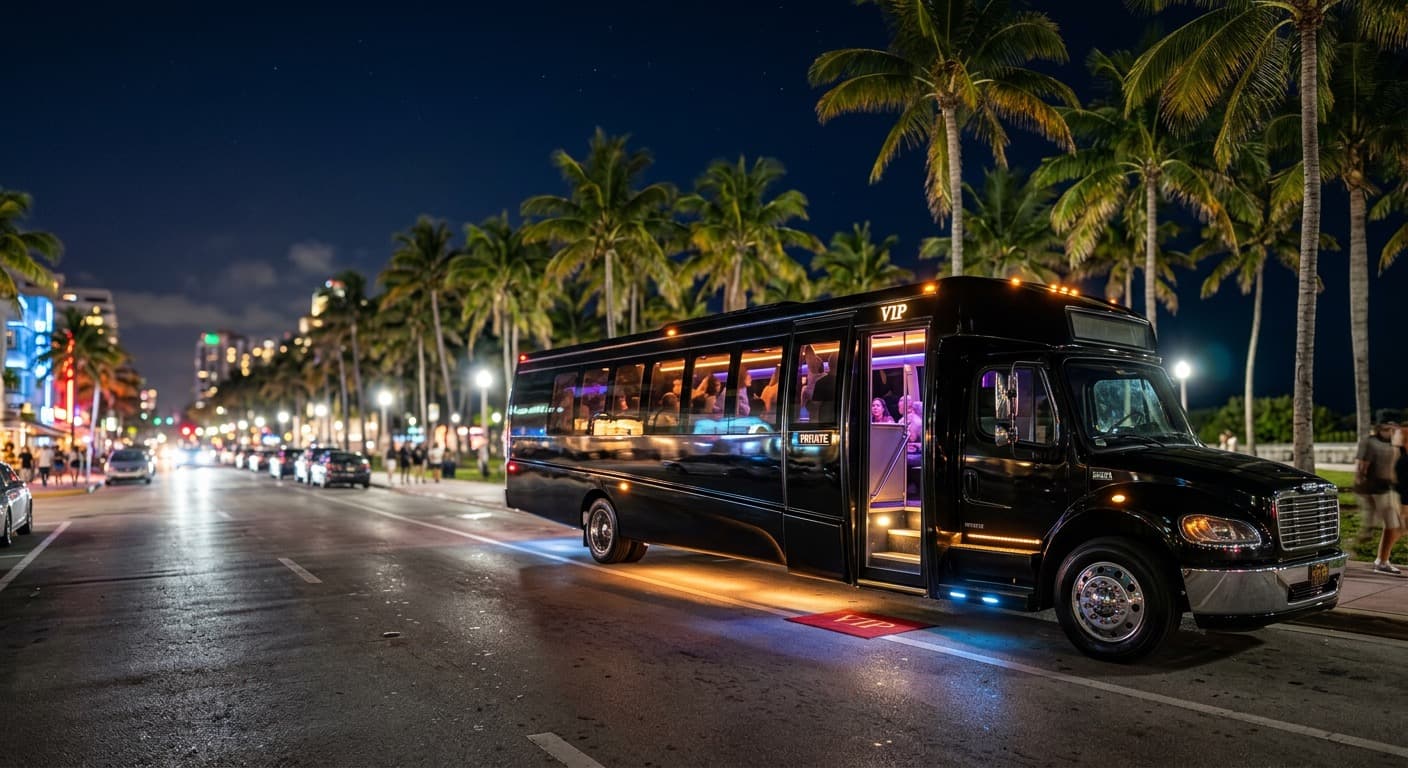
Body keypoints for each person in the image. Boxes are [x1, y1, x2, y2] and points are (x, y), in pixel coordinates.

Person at [1354, 420, 1402, 575]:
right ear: (1380, 428)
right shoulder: (1371, 443)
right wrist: (1362, 481)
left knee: (1395, 525)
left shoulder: (1394, 444)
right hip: (1376, 488)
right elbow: (1362, 465)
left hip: (1389, 488)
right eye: (1389, 428)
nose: (1392, 431)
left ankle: (1380, 559)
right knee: (1392, 523)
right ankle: (1380, 560)